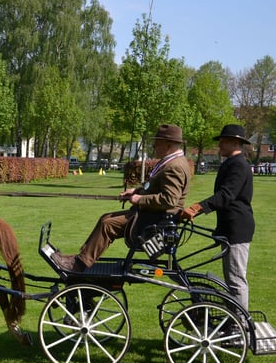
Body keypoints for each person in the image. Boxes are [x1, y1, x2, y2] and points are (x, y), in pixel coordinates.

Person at [52, 124, 191, 272]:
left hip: (155, 220)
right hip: (151, 215)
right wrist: (135, 191)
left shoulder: (174, 166)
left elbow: (169, 199)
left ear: (168, 144)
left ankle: (78, 265)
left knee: (108, 224)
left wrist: (139, 199)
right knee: (105, 219)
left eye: (157, 142)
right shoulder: (172, 162)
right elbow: (155, 188)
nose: (154, 145)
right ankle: (81, 260)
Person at [181, 124, 254, 311]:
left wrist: (198, 207)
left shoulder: (238, 165)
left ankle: (240, 326)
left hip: (237, 227)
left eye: (223, 140)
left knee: (236, 279)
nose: (219, 144)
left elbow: (226, 195)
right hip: (230, 226)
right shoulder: (231, 163)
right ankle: (235, 321)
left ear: (235, 142)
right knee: (232, 278)